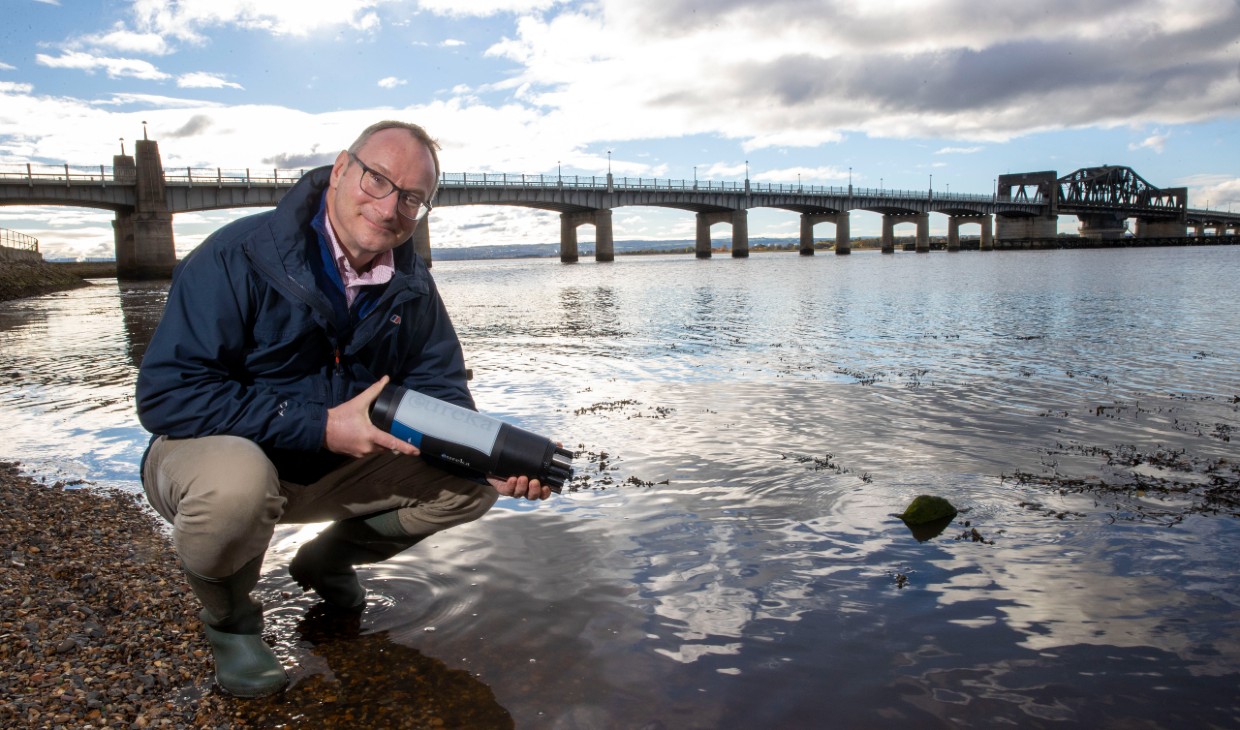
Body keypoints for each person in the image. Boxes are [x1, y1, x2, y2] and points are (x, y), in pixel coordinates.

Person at [136, 120, 552, 698]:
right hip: (209, 460)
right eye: (378, 180)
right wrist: (323, 426)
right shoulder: (236, 256)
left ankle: (326, 561)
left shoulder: (412, 284)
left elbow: (441, 388)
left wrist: (483, 454)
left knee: (470, 487)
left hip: (330, 470)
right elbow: (168, 395)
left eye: (412, 198)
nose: (389, 207)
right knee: (237, 486)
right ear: (339, 170)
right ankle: (230, 623)